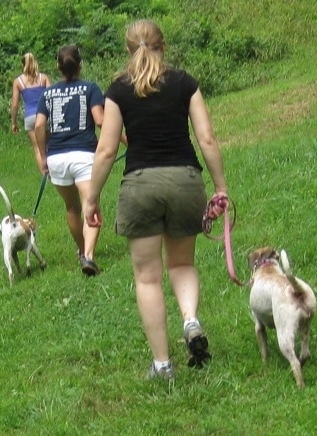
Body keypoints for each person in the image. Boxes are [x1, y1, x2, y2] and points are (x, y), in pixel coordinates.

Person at [85, 19, 228, 380]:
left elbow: (105, 151)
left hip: (140, 185)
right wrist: (220, 187)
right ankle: (191, 319)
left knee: (148, 279)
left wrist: (92, 199)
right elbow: (207, 138)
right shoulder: (185, 83)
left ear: (128, 50)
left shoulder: (118, 90)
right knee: (181, 265)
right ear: (163, 46)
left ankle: (163, 365)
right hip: (185, 181)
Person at [35, 45, 104, 276]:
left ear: (58, 67)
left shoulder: (47, 93)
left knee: (72, 207)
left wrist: (43, 156)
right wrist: (125, 139)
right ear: (80, 64)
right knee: (90, 204)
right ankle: (90, 257)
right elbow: (101, 120)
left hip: (56, 158)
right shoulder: (91, 88)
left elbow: (38, 126)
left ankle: (82, 250)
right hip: (83, 155)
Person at [11, 53, 51, 172]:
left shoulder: (18, 82)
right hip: (45, 116)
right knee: (48, 146)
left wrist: (14, 122)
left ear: (22, 64)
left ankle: (45, 176)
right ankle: (55, 174)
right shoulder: (43, 78)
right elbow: (52, 96)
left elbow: (15, 104)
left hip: (30, 117)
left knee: (38, 149)